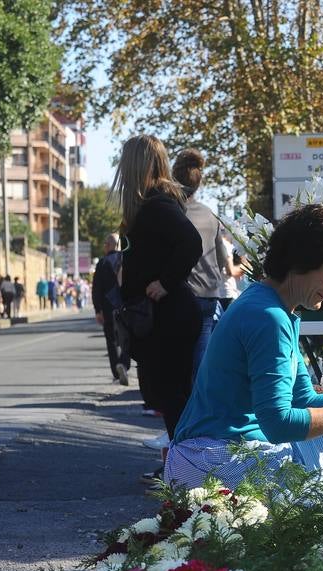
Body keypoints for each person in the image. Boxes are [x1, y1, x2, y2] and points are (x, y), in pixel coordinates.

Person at [166, 203, 323, 512]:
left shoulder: (273, 305)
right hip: (212, 461)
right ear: (299, 263)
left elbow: (302, 399)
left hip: (215, 449)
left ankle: (287, 524)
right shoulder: (268, 317)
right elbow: (280, 425)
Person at [113, 134, 204, 450]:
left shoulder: (157, 205)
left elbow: (191, 242)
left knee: (172, 396)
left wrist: (164, 282)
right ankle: (182, 465)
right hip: (164, 318)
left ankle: (185, 469)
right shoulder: (153, 205)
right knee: (168, 396)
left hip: (169, 318)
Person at [172, 148, 246, 380]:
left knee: (178, 362)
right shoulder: (211, 215)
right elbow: (223, 264)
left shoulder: (170, 212)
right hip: (208, 296)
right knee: (200, 361)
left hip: (179, 294)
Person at [92, 233, 131, 385]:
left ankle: (116, 372)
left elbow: (96, 289)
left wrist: (97, 310)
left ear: (108, 245)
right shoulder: (125, 259)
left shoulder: (102, 263)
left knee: (111, 341)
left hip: (108, 308)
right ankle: (124, 363)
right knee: (128, 338)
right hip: (126, 305)